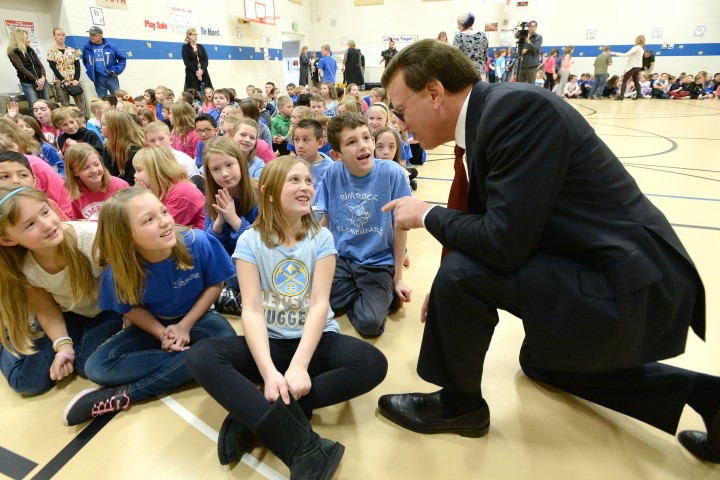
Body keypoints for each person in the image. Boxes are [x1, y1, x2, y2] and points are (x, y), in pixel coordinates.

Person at [378, 38, 718, 465]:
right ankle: (707, 396)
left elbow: (502, 243)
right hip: (593, 263)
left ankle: (459, 405)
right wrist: (447, 293)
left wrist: (427, 213)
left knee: (464, 273)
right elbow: (496, 223)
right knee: (541, 363)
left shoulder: (515, 111)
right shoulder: (492, 114)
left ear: (433, 92)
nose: (400, 123)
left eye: (401, 109)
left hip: (629, 280)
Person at [186, 156, 387, 474]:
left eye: (308, 180)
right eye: (294, 180)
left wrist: (299, 366)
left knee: (372, 363)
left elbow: (320, 305)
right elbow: (250, 309)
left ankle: (254, 415)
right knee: (201, 356)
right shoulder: (250, 241)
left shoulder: (322, 238)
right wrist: (268, 373)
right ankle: (301, 444)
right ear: (268, 192)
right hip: (268, 343)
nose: (306, 186)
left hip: (314, 342)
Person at [62, 187, 236, 426]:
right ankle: (192, 361)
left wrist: (184, 326)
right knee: (96, 367)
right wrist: (161, 332)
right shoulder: (120, 270)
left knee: (225, 338)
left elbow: (216, 285)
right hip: (155, 324)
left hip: (199, 319)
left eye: (163, 211)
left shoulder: (198, 242)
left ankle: (127, 394)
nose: (165, 222)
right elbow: (130, 309)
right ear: (126, 235)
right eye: (149, 220)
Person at [0, 185, 122, 396]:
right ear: (8, 240)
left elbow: (128, 284)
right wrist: (62, 345)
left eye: (45, 211)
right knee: (28, 383)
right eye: (30, 225)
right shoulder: (24, 267)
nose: (47, 225)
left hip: (110, 310)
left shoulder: (91, 239)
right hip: (69, 315)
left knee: (86, 365)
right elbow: (46, 309)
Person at [316, 114, 412, 337]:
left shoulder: (392, 174)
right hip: (342, 258)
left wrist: (398, 278)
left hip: (378, 261)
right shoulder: (332, 173)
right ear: (336, 155)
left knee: (369, 324)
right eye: (351, 142)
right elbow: (326, 222)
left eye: (366, 138)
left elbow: (400, 229)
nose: (363, 146)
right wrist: (317, 259)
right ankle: (372, 293)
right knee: (317, 302)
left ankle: (382, 292)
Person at [132, 146, 205, 229]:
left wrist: (143, 197)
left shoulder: (181, 191)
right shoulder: (159, 190)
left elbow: (162, 229)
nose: (135, 175)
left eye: (139, 170)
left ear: (156, 170)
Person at [63, 143, 128, 220]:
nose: (94, 170)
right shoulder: (76, 193)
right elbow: (79, 223)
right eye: (86, 168)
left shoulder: (120, 186)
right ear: (74, 172)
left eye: (96, 164)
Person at [6, 29, 50, 108]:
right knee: (34, 106)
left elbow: (40, 65)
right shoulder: (13, 52)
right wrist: (36, 80)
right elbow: (21, 68)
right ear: (19, 39)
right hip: (28, 83)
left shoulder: (30, 50)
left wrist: (43, 77)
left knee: (47, 105)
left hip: (42, 81)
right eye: (26, 38)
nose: (29, 40)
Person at [46, 27, 86, 115]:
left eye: (63, 35)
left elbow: (77, 65)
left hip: (73, 80)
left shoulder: (71, 50)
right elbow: (52, 67)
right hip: (60, 80)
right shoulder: (51, 51)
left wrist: (76, 79)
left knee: (80, 104)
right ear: (54, 36)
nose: (61, 37)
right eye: (58, 35)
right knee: (65, 104)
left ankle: (83, 120)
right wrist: (62, 80)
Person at [81, 26, 126, 99]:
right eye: (90, 35)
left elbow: (122, 59)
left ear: (101, 35)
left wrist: (117, 70)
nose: (91, 37)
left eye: (94, 35)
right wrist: (90, 71)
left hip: (111, 77)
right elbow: (85, 61)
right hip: (98, 78)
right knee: (102, 101)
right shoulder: (87, 47)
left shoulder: (110, 46)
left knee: (117, 98)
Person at [453, 13, 489, 80]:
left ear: (463, 24)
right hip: (480, 72)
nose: (457, 27)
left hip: (465, 73)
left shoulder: (458, 37)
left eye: (458, 24)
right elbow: (485, 56)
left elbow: (456, 58)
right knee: (480, 90)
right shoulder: (483, 35)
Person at [611, 35, 645, 101]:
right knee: (636, 80)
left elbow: (626, 54)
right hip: (638, 66)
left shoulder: (636, 47)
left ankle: (621, 96)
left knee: (624, 80)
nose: (635, 40)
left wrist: (615, 53)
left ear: (638, 40)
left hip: (633, 66)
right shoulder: (641, 48)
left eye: (636, 39)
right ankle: (638, 94)